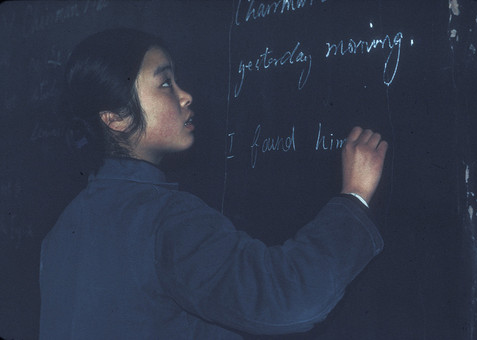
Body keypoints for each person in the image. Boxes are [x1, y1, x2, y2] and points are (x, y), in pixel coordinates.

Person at [39, 28, 388, 339]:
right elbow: (287, 299)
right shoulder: (166, 220)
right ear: (116, 118)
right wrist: (354, 196)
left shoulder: (62, 231)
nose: (185, 95)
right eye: (165, 83)